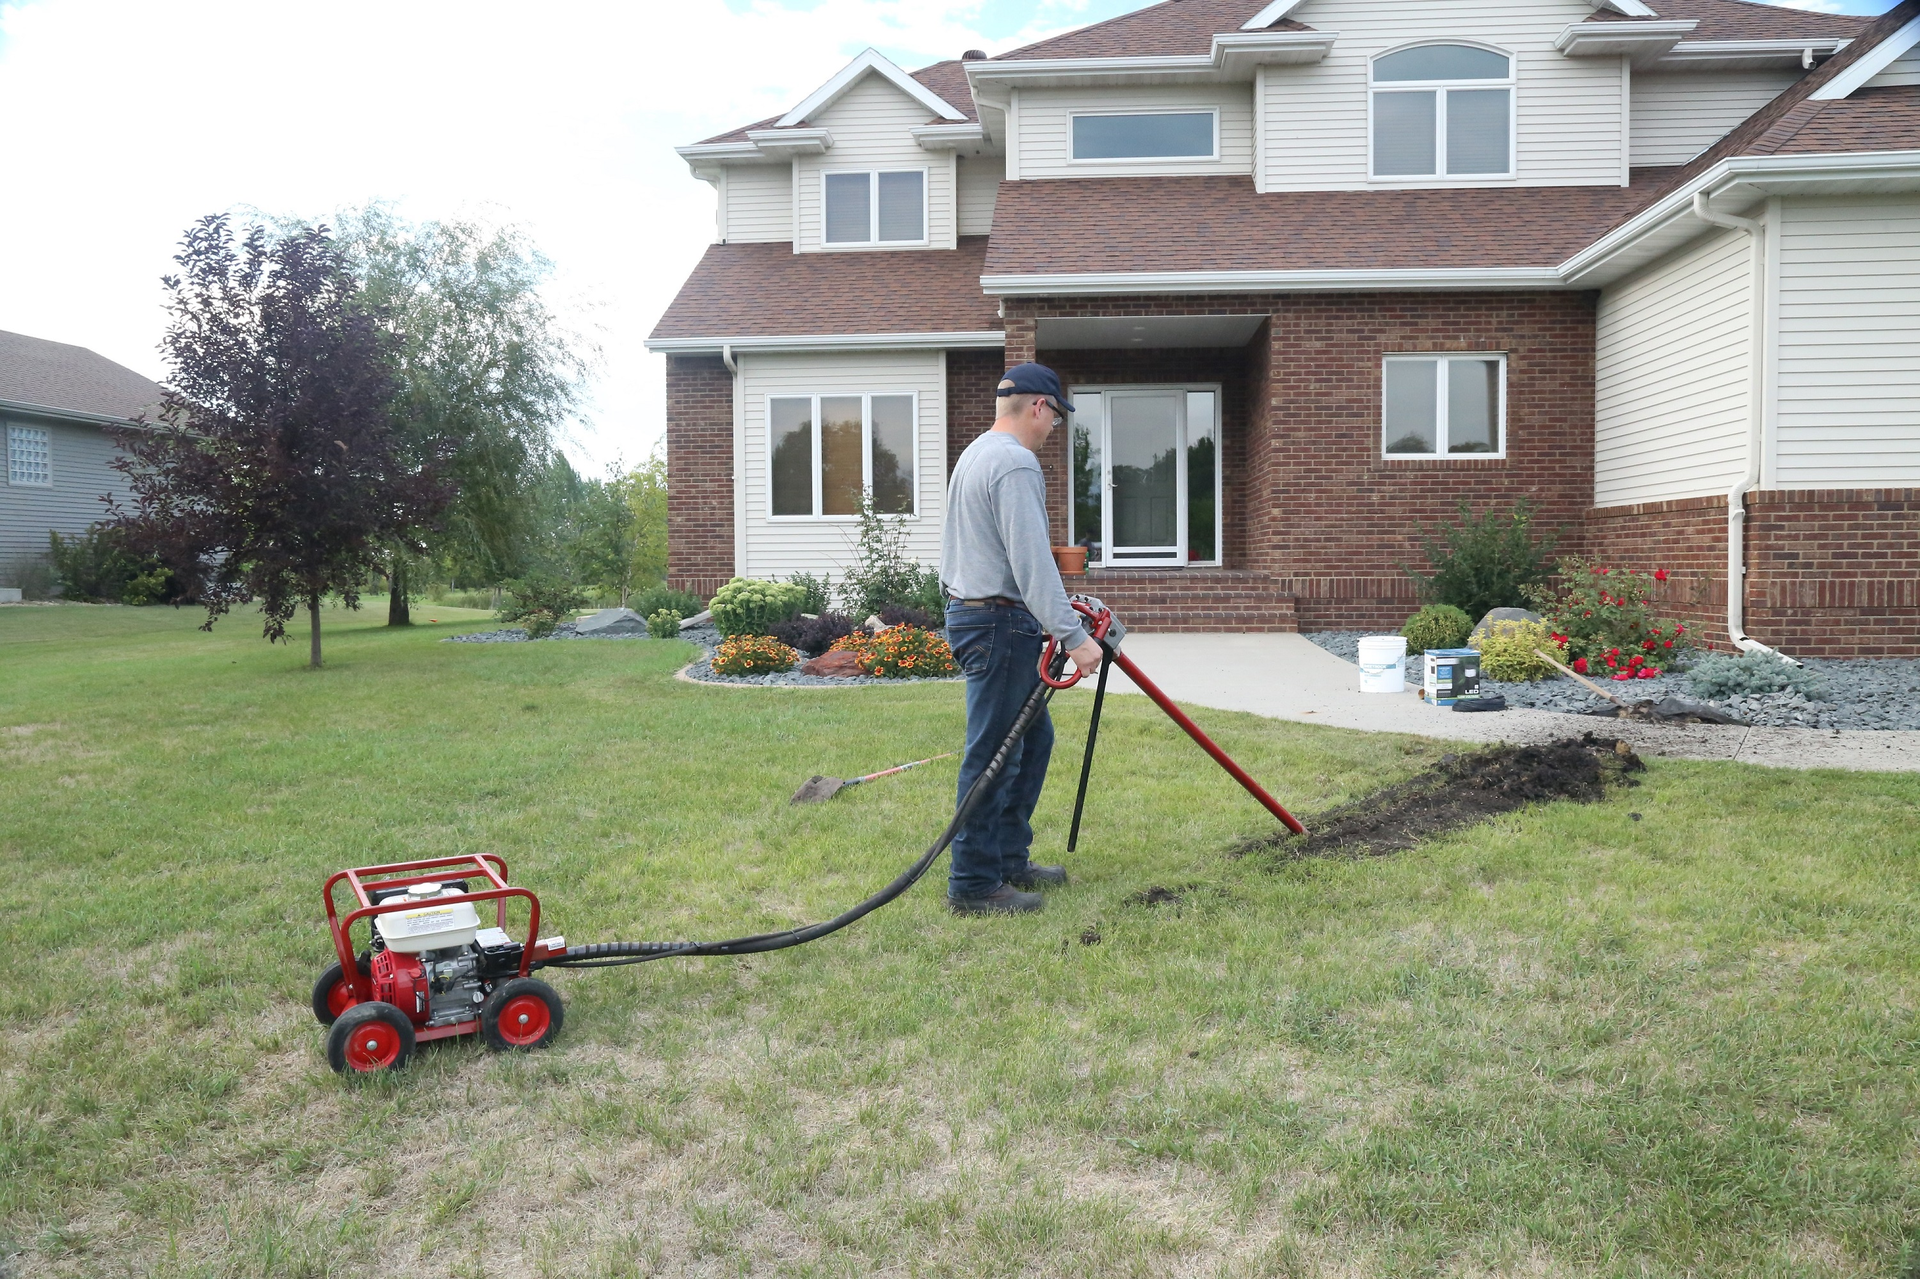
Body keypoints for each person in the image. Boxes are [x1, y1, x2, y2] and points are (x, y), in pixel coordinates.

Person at [939, 363, 1105, 915]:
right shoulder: (1015, 462)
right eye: (1055, 417)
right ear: (1038, 407)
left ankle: (1009, 857)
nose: (1054, 428)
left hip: (978, 615)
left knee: (1032, 742)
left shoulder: (975, 454)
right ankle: (974, 883)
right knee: (994, 754)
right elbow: (1031, 562)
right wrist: (1074, 636)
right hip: (999, 624)